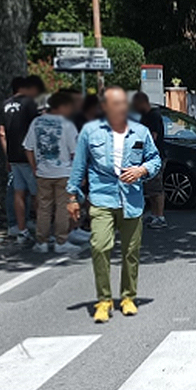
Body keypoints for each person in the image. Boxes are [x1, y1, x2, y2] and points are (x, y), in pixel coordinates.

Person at [67, 87, 161, 323]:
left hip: (132, 200)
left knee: (131, 252)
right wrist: (71, 197)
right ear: (104, 107)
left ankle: (128, 297)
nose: (122, 108)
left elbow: (155, 159)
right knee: (99, 246)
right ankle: (104, 300)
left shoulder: (140, 131)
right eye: (116, 104)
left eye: (124, 104)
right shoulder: (90, 132)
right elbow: (79, 166)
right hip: (102, 198)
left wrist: (142, 170)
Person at [24, 91, 81, 254]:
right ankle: (61, 241)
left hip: (43, 172)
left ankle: (41, 241)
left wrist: (34, 166)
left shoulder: (36, 122)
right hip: (64, 172)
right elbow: (75, 152)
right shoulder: (67, 124)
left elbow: (28, 147)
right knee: (62, 208)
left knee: (43, 208)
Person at [0, 75, 44, 242]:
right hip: (28, 154)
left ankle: (21, 230)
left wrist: (7, 157)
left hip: (13, 155)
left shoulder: (4, 104)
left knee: (18, 192)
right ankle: (42, 230)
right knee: (37, 194)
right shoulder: (30, 103)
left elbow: (1, 132)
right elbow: (37, 130)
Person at [132, 91, 168, 229]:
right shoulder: (145, 115)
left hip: (154, 157)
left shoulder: (153, 116)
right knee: (150, 188)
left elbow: (152, 137)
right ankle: (154, 215)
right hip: (146, 158)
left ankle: (160, 216)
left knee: (156, 188)